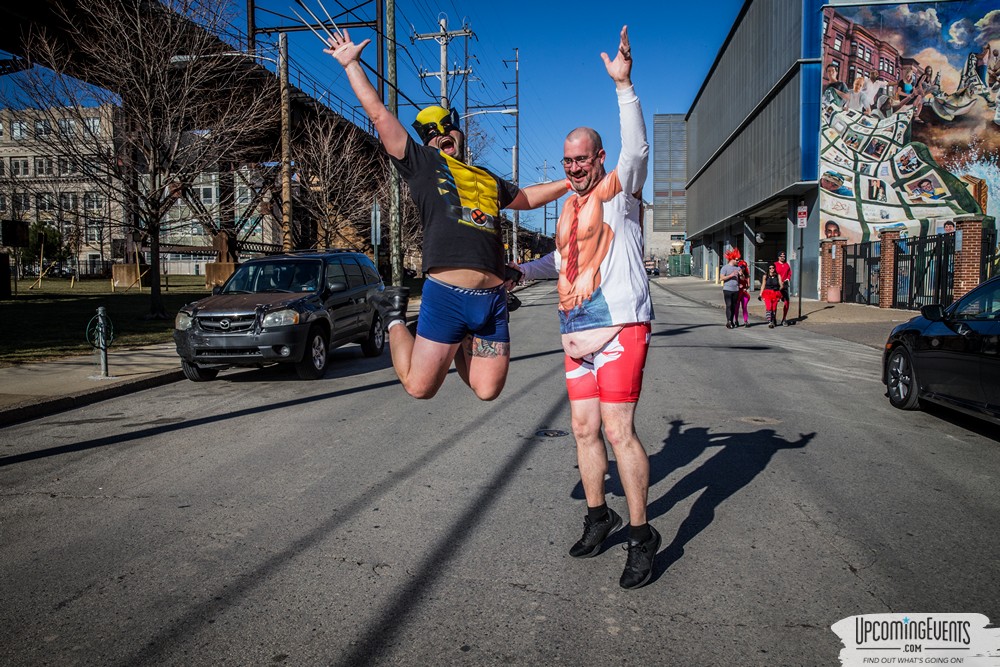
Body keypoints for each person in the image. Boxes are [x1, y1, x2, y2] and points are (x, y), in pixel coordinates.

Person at [324, 30, 567, 401]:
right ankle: (392, 317)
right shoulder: (421, 163)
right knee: (420, 387)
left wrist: (570, 182)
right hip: (446, 295)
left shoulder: (487, 178)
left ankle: (462, 337)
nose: (440, 133)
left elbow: (529, 197)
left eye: (445, 126)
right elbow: (378, 114)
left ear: (458, 131)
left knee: (487, 390)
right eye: (429, 131)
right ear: (425, 141)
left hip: (490, 301)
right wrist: (351, 63)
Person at [512, 26, 659, 590]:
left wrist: (625, 87)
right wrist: (519, 273)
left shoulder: (619, 192)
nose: (574, 168)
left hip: (620, 325)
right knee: (582, 428)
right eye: (567, 162)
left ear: (598, 158)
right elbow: (561, 263)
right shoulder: (568, 210)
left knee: (619, 430)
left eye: (582, 159)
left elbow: (637, 148)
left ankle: (643, 538)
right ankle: (600, 515)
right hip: (575, 330)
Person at [720, 249, 741, 329]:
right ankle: (728, 321)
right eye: (737, 259)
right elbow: (721, 278)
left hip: (736, 289)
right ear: (732, 259)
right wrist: (731, 275)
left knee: (734, 306)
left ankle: (731, 321)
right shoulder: (725, 268)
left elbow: (742, 278)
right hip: (727, 289)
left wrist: (741, 275)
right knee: (729, 305)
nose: (738, 261)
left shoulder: (738, 268)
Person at [774, 250, 792, 326]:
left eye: (784, 256)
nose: (783, 257)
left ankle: (784, 319)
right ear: (778, 257)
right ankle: (773, 319)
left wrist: (788, 279)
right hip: (776, 286)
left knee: (787, 302)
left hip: (784, 286)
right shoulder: (775, 264)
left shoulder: (787, 265)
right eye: (781, 256)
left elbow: (789, 273)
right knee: (774, 302)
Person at [736, 260, 751, 328]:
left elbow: (748, 284)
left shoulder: (746, 275)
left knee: (744, 307)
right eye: (741, 266)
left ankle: (746, 321)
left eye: (744, 267)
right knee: (737, 307)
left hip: (744, 292)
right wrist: (738, 285)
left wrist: (746, 288)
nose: (743, 268)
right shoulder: (736, 273)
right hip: (737, 292)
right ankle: (736, 320)